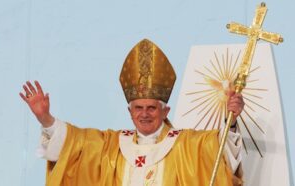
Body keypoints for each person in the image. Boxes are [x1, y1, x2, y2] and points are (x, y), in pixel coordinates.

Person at [20, 39, 244, 186]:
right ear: (129, 111)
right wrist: (45, 119)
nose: (144, 114)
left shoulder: (186, 145)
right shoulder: (111, 147)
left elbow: (220, 151)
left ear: (165, 109)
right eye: (138, 108)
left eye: (151, 108)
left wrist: (230, 120)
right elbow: (75, 144)